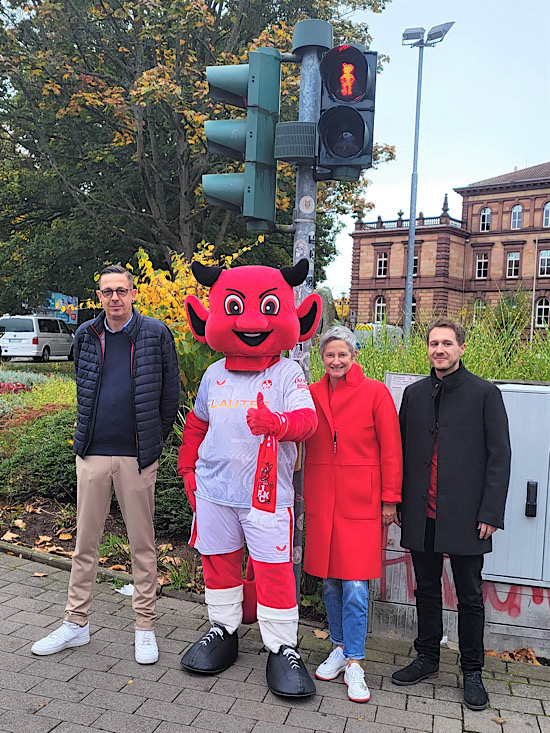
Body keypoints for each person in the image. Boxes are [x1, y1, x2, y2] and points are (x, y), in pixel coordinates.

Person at [178, 259, 322, 697]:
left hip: (266, 497)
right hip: (216, 493)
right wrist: (187, 468)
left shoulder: (287, 372)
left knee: (274, 570)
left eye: (266, 308)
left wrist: (277, 422)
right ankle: (223, 630)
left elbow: (308, 422)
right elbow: (198, 425)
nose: (252, 322)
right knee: (218, 563)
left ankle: (282, 648)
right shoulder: (213, 374)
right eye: (236, 307)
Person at [32, 265, 181, 664]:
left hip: (137, 456)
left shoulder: (155, 334)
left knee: (142, 546)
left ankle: (145, 627)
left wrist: (154, 440)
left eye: (122, 291)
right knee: (85, 543)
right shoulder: (86, 335)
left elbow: (171, 395)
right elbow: (84, 387)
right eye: (107, 292)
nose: (115, 298)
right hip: (93, 453)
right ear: (98, 296)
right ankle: (75, 623)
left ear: (134, 294)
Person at [392, 317, 511, 711]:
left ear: (461, 348)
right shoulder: (413, 394)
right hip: (421, 513)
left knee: (470, 595)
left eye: (446, 343)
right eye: (433, 343)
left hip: (466, 516)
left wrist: (491, 511)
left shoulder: (485, 394)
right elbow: (400, 454)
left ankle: (472, 671)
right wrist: (394, 503)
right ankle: (427, 657)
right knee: (424, 589)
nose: (439, 350)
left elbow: (500, 456)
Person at [303, 326, 402, 703]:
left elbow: (391, 449)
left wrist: (389, 500)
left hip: (361, 502)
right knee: (329, 581)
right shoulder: (310, 394)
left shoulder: (375, 392)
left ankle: (356, 662)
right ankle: (341, 648)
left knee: (357, 586)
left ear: (354, 355)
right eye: (330, 354)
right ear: (322, 358)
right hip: (323, 499)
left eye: (342, 354)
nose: (336, 360)